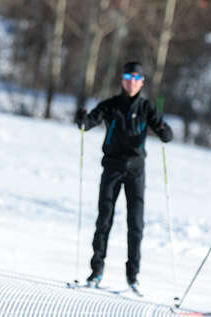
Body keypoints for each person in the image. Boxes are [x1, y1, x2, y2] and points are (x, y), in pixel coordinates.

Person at [74, 61, 173, 289]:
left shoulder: (147, 108)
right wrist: (82, 119)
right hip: (112, 168)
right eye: (128, 77)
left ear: (142, 82)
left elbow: (163, 131)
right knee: (104, 219)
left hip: (136, 171)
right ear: (122, 80)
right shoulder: (111, 105)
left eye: (136, 78)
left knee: (135, 224)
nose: (131, 82)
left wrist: (166, 132)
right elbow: (89, 122)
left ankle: (132, 275)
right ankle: (96, 271)